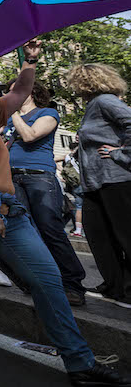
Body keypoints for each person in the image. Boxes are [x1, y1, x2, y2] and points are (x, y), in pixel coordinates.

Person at [0, 45, 127, 385]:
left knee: (48, 280)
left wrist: (29, 59)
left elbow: (21, 91)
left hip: (8, 211)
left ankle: (79, 362)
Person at [4, 80, 86, 306]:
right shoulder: (11, 119)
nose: (12, 94)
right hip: (13, 177)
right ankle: (41, 280)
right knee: (26, 232)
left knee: (50, 230)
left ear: (32, 92)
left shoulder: (47, 113)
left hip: (39, 176)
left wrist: (14, 113)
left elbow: (30, 135)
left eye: (17, 90)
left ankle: (73, 284)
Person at [67, 63, 131, 305]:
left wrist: (122, 154)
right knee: (98, 235)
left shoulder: (105, 101)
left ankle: (128, 289)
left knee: (125, 235)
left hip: (116, 179)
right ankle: (115, 286)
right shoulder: (93, 106)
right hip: (95, 184)